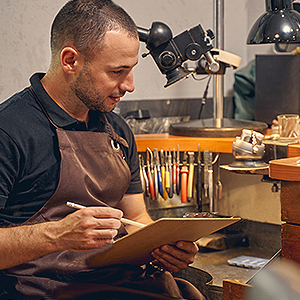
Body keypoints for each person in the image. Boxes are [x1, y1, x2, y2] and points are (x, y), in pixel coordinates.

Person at [0, 0, 205, 299]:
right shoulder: (10, 131)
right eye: (117, 71)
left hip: (125, 283)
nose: (130, 85)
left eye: (132, 69)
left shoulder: (117, 130)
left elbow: (137, 217)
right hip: (46, 291)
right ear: (70, 61)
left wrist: (164, 248)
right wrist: (56, 235)